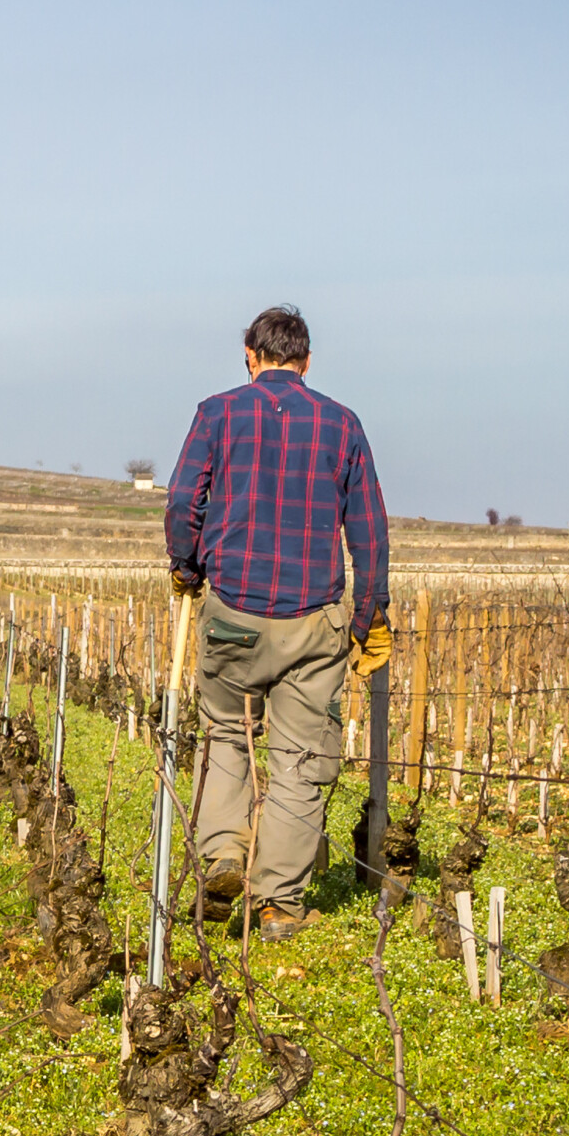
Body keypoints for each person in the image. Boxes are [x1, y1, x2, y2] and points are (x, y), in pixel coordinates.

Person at [163, 305, 390, 938]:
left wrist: (186, 565)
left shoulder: (217, 412)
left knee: (226, 738)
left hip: (232, 610)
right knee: (300, 759)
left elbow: (184, 500)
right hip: (313, 624)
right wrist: (369, 615)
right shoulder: (343, 425)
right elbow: (370, 532)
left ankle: (223, 860)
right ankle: (279, 905)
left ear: (250, 356)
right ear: (307, 361)